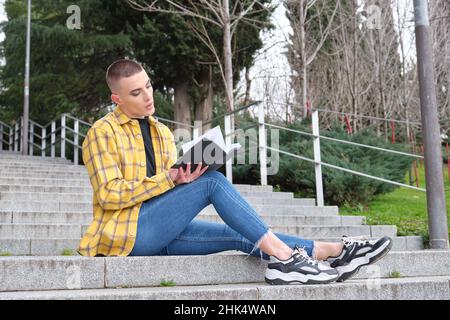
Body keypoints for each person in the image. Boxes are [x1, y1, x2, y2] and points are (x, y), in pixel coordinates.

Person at [78, 59, 392, 285]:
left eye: (148, 86)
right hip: (128, 235)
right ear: (116, 99)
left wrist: (187, 173)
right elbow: (108, 195)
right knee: (213, 183)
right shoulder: (101, 133)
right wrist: (171, 178)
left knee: (240, 234)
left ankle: (332, 252)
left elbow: (165, 189)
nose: (147, 96)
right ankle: (286, 260)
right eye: (136, 93)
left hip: (162, 230)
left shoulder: (160, 132)